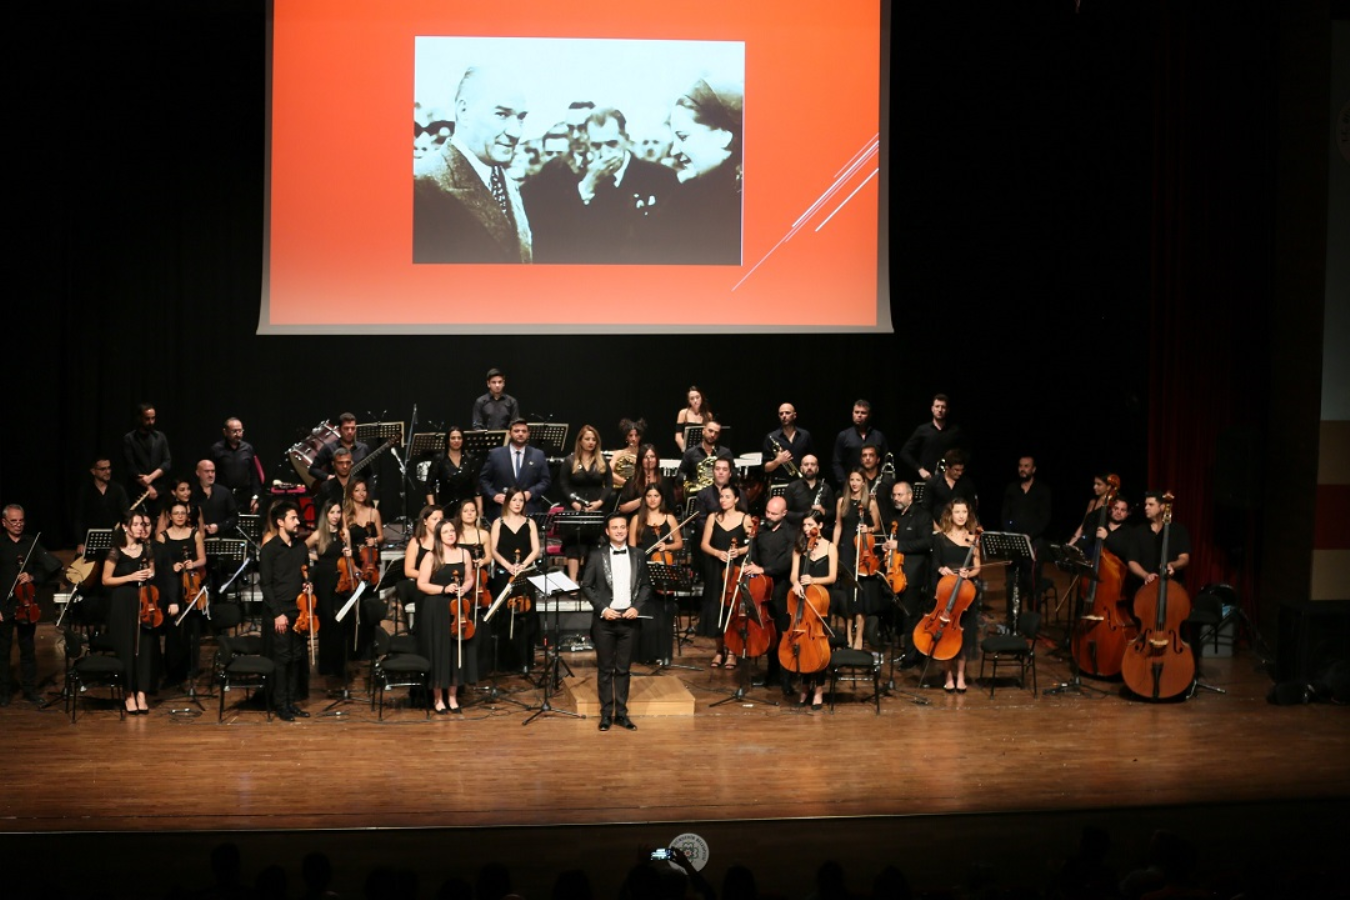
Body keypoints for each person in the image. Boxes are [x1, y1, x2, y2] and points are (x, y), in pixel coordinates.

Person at [524, 106, 678, 264]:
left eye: (612, 144)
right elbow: (564, 237)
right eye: (596, 145)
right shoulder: (577, 178)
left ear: (625, 138)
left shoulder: (660, 176)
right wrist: (587, 187)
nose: (604, 153)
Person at [414, 66, 532, 264]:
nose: (516, 132)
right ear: (464, 111)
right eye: (502, 114)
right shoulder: (420, 185)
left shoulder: (509, 185)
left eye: (520, 118)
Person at [651, 75, 744, 265]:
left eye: (683, 137)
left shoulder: (738, 203)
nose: (674, 150)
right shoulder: (693, 196)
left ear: (724, 136)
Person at [582, 512, 652, 731]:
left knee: (623, 669)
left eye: (623, 527)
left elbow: (646, 585)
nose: (620, 530)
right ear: (607, 531)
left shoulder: (639, 554)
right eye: (615, 527)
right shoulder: (596, 555)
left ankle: (621, 714)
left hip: (629, 620)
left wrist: (636, 607)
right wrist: (603, 609)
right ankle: (606, 715)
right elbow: (586, 585)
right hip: (605, 621)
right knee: (605, 669)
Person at [416, 518, 482, 713]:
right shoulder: (431, 556)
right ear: (438, 536)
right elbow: (422, 584)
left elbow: (470, 578)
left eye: (452, 531)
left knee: (456, 651)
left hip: (458, 607)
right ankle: (438, 699)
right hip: (437, 607)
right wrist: (444, 588)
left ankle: (453, 697)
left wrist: (464, 588)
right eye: (446, 532)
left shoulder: (464, 553)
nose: (451, 534)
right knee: (439, 651)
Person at [1, 504, 61, 706]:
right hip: (4, 606)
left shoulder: (31, 543)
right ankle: (3, 692)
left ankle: (29, 690)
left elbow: (51, 569)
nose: (18, 525)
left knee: (28, 650)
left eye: (21, 520)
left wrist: (33, 576)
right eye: (14, 521)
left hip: (27, 605)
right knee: (3, 651)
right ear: (4, 523)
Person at [101, 509, 159, 715]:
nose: (140, 528)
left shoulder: (147, 548)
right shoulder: (116, 550)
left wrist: (148, 574)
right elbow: (106, 580)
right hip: (123, 601)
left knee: (145, 646)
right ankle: (128, 694)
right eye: (135, 525)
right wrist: (131, 577)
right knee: (126, 647)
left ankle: (142, 692)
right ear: (125, 527)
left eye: (141, 525)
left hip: (144, 600)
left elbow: (152, 571)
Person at [258, 500, 310, 721]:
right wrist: (278, 613)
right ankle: (281, 704)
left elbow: (306, 573)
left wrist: (309, 584)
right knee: (282, 659)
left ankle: (291, 701)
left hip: (299, 610)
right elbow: (266, 584)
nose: (297, 521)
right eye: (293, 518)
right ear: (280, 522)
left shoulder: (301, 547)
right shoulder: (270, 550)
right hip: (279, 612)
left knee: (297, 657)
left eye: (297, 518)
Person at [740, 496, 797, 694]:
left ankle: (787, 678)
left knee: (782, 633)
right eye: (768, 512)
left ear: (784, 513)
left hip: (781, 589)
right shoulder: (761, 530)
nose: (769, 516)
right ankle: (771, 674)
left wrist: (764, 569)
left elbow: (787, 561)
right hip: (763, 590)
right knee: (769, 634)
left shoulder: (791, 533)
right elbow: (753, 557)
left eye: (774, 513)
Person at [929, 499, 982, 693]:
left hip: (965, 593)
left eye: (964, 512)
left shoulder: (973, 539)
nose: (961, 516)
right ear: (950, 515)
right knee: (946, 636)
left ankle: (960, 676)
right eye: (957, 512)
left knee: (964, 635)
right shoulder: (940, 538)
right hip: (946, 591)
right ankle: (948, 676)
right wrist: (942, 568)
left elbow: (977, 567)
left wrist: (969, 574)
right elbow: (934, 563)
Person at [879, 482, 934, 666]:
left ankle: (913, 656)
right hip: (897, 574)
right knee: (901, 617)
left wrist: (899, 545)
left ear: (910, 496)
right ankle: (907, 651)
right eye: (894, 495)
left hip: (914, 575)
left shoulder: (922, 516)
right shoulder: (896, 517)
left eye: (900, 495)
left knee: (911, 617)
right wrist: (889, 546)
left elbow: (926, 542)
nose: (896, 498)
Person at [787, 513, 838, 710]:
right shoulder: (800, 547)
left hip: (822, 602)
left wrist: (813, 581)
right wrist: (796, 583)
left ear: (821, 525)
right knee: (804, 645)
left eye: (810, 524)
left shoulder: (830, 547)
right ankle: (805, 686)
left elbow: (832, 577)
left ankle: (819, 689)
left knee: (820, 646)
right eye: (804, 525)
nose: (807, 529)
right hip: (803, 600)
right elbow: (793, 574)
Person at [630, 483, 684, 665]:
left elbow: (679, 543)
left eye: (656, 495)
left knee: (664, 615)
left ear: (661, 498)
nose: (653, 499)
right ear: (644, 498)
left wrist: (666, 546)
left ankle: (664, 654)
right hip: (643, 569)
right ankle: (645, 654)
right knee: (645, 614)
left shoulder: (669, 518)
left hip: (663, 569)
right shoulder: (637, 519)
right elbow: (631, 548)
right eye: (649, 496)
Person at [156, 499, 207, 690]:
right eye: (176, 513)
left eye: (182, 513)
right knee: (173, 627)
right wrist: (171, 566)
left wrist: (192, 564)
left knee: (192, 628)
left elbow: (203, 559)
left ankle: (191, 669)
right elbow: (159, 564)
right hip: (171, 585)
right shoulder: (162, 537)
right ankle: (172, 671)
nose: (179, 516)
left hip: (191, 583)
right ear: (170, 516)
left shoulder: (194, 534)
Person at [488, 489, 542, 672]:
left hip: (524, 574)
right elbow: (494, 549)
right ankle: (504, 663)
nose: (518, 503)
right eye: (514, 500)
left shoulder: (530, 523)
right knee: (504, 616)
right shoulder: (498, 522)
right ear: (508, 502)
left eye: (521, 500)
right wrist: (508, 566)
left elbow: (536, 549)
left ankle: (525, 661)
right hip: (505, 573)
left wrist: (522, 566)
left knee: (526, 617)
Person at [699, 483, 751, 666]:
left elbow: (753, 543)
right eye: (721, 496)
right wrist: (717, 553)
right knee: (716, 608)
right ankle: (719, 651)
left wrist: (741, 550)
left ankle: (732, 652)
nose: (723, 500)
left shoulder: (745, 518)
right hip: (716, 568)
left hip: (735, 569)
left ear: (736, 499)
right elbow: (704, 544)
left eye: (727, 496)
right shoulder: (713, 517)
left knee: (733, 610)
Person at [833, 469, 884, 650]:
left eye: (858, 480)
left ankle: (859, 636)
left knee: (860, 595)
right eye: (852, 479)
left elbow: (877, 526)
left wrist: (868, 529)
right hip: (846, 548)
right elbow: (838, 526)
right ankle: (848, 634)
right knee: (848, 595)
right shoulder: (842, 502)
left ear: (864, 482)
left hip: (862, 549)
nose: (854, 483)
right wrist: (833, 548)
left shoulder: (871, 502)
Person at [305, 501, 355, 680]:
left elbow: (349, 558)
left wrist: (349, 554)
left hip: (341, 581)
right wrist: (317, 557)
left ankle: (340, 665)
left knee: (341, 622)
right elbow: (302, 549)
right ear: (325, 514)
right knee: (326, 621)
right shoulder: (319, 535)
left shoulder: (344, 533)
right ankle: (326, 665)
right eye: (332, 512)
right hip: (323, 581)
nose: (336, 516)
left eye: (338, 512)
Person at [558, 425, 612, 582]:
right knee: (573, 545)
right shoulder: (570, 460)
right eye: (587, 439)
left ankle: (589, 582)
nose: (591, 442)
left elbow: (609, 485)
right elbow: (563, 484)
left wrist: (600, 502)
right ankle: (573, 582)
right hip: (574, 507)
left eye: (593, 439)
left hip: (595, 508)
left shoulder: (602, 461)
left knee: (592, 544)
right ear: (580, 441)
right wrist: (574, 502)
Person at [1000, 455, 1052, 609]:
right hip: (1014, 542)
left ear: (1033, 469)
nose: (1023, 469)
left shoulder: (1043, 490)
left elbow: (1045, 518)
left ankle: (1031, 623)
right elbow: (1005, 514)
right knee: (1011, 582)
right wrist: (1009, 533)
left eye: (1026, 466)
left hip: (1033, 542)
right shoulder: (1011, 488)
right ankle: (1012, 621)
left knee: (1032, 584)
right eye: (1021, 466)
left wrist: (1030, 535)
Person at [478, 419, 552, 520]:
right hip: (501, 510)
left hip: (528, 509)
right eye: (516, 431)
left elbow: (545, 481)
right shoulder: (495, 454)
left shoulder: (538, 455)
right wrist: (494, 495)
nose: (520, 434)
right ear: (510, 433)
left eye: (524, 431)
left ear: (528, 434)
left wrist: (531, 492)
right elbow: (483, 479)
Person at [396, 505, 443, 638]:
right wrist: (427, 577)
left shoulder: (445, 541)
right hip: (422, 584)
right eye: (435, 519)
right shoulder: (416, 542)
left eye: (441, 519)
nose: (439, 522)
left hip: (441, 583)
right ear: (425, 521)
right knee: (424, 593)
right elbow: (409, 571)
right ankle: (421, 633)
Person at [1126, 492, 1191, 586]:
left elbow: (1184, 558)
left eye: (1151, 504)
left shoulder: (1178, 530)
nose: (1146, 507)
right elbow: (1132, 561)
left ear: (1162, 507)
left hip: (1173, 586)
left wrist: (1172, 565)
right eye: (1146, 504)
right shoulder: (1138, 531)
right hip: (1144, 587)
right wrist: (1146, 575)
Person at [899, 393, 966, 482]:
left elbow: (967, 452)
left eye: (943, 407)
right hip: (929, 480)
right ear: (932, 409)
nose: (940, 410)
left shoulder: (955, 431)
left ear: (948, 410)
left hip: (950, 480)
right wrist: (919, 469)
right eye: (937, 406)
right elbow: (905, 452)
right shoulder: (922, 430)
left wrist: (957, 469)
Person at [73, 457, 130, 555]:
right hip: (92, 539)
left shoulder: (118, 489)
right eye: (103, 469)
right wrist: (80, 543)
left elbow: (127, 514)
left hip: (114, 537)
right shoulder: (85, 491)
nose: (107, 472)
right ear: (93, 471)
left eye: (109, 468)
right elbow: (78, 518)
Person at [123, 402, 172, 517]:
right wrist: (148, 486)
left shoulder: (160, 437)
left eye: (153, 418)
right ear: (139, 418)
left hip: (159, 489)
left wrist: (151, 478)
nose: (151, 422)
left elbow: (167, 462)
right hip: (138, 491)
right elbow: (131, 467)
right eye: (147, 419)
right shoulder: (129, 439)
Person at [210, 417, 263, 513]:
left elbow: (254, 474)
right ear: (225, 432)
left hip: (244, 497)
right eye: (234, 431)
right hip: (224, 496)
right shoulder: (216, 449)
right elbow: (211, 475)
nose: (238, 434)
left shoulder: (248, 448)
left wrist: (255, 496)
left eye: (240, 431)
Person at [424, 426, 481, 516]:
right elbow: (429, 485)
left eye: (459, 438)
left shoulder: (471, 459)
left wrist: (479, 507)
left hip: (467, 507)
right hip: (446, 505)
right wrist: (433, 508)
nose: (456, 441)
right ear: (447, 440)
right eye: (453, 438)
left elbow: (476, 486)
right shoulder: (439, 459)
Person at [831, 400, 888, 487]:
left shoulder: (878, 436)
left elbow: (885, 460)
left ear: (869, 415)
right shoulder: (844, 436)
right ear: (852, 414)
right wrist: (845, 483)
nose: (859, 415)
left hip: (875, 485)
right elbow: (836, 462)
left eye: (863, 413)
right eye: (856, 412)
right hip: (851, 485)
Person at [309, 414, 370, 484]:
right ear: (339, 430)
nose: (350, 432)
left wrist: (369, 493)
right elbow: (313, 469)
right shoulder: (329, 448)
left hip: (356, 492)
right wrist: (328, 477)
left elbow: (369, 475)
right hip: (335, 490)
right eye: (346, 428)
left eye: (353, 428)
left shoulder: (364, 448)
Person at [763, 402, 813, 487]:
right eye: (781, 414)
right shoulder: (771, 437)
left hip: (801, 483)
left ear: (794, 415)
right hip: (780, 483)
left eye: (787, 413)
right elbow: (765, 468)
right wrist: (778, 461)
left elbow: (812, 459)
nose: (784, 416)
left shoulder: (805, 435)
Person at [678, 418, 731, 497]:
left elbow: (734, 474)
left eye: (716, 433)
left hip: (719, 494)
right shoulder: (690, 453)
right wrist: (687, 481)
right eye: (710, 431)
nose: (713, 435)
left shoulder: (725, 453)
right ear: (703, 431)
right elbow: (680, 473)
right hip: (697, 494)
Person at [785, 454, 836, 534]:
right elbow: (786, 513)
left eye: (813, 464)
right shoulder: (792, 487)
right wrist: (805, 516)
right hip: (797, 532)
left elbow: (833, 514)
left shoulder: (826, 488)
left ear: (817, 468)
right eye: (806, 464)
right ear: (801, 469)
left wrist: (822, 511)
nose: (809, 467)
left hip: (820, 533)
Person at [615, 443, 670, 516]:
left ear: (657, 459)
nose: (649, 460)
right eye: (645, 457)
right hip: (636, 521)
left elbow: (671, 507)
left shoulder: (665, 481)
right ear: (640, 460)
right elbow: (623, 508)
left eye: (652, 456)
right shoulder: (632, 481)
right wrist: (643, 499)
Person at [193, 459, 239, 538]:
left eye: (213, 471)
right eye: (206, 471)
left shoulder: (224, 493)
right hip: (198, 540)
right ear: (198, 473)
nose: (210, 475)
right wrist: (200, 527)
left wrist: (219, 526)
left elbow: (234, 517)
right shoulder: (192, 494)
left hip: (221, 538)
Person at [923, 449, 977, 514]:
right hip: (938, 522)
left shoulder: (967, 483)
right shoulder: (933, 483)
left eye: (962, 470)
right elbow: (926, 510)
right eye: (956, 470)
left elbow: (972, 509)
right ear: (947, 467)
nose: (960, 473)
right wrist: (934, 524)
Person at [1067, 474, 1115, 547]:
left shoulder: (1112, 504)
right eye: (1094, 484)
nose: (1094, 487)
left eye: (1099, 484)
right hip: (1084, 540)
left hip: (1098, 545)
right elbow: (1083, 525)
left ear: (1108, 487)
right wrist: (1072, 542)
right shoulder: (1092, 502)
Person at [610, 418, 646, 492]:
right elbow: (609, 472)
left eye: (636, 435)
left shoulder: (645, 454)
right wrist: (625, 483)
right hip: (620, 490)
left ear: (640, 437)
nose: (634, 438)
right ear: (626, 437)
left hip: (641, 489)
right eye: (630, 435)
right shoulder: (618, 453)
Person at [674, 386, 713, 453]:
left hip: (703, 451)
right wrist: (687, 451)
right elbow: (678, 437)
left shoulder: (708, 415)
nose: (695, 400)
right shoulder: (683, 413)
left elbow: (710, 436)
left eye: (697, 397)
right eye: (692, 398)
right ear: (689, 401)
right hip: (687, 451)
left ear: (702, 398)